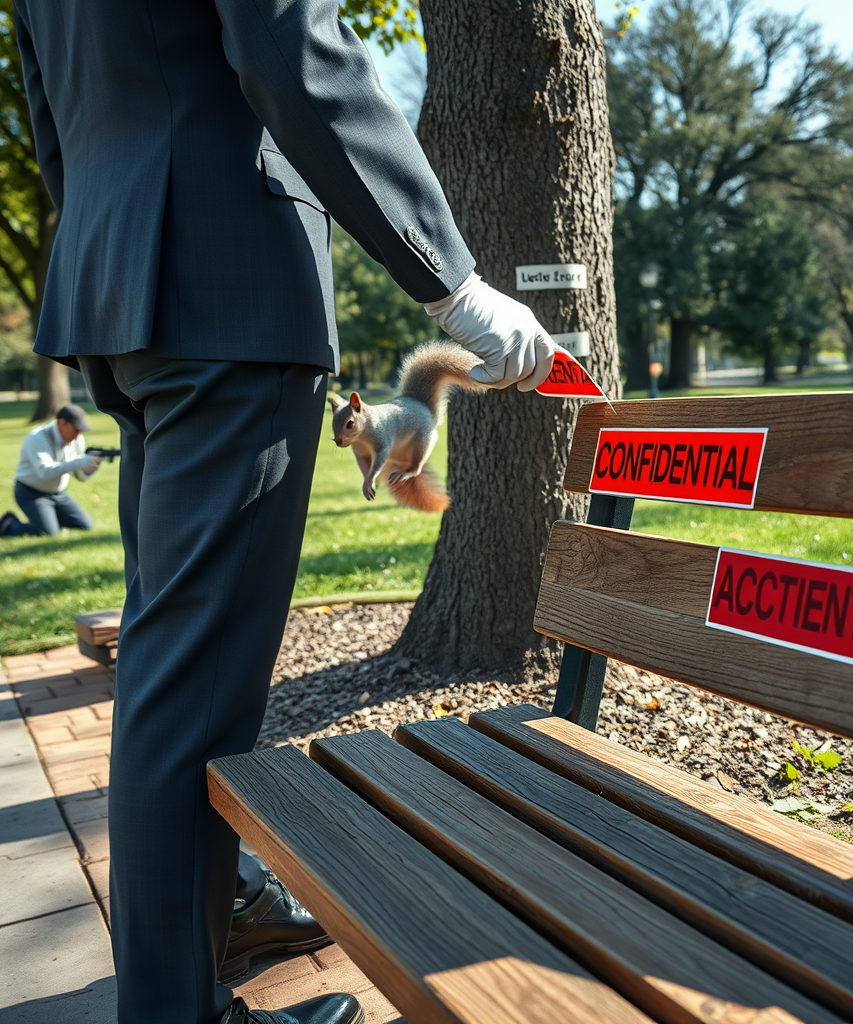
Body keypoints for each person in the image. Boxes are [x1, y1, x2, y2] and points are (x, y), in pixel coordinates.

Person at [13, 3, 555, 1024]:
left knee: (168, 668)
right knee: (191, 689)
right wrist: (456, 287)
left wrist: (111, 248)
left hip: (122, 290)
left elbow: (51, 111)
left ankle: (212, 916)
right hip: (230, 294)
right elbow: (291, 44)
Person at [0, 403, 102, 537]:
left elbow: (80, 475)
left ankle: (48, 518)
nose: (79, 435)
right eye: (76, 430)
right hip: (31, 493)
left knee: (84, 525)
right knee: (48, 532)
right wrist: (79, 461)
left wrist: (89, 469)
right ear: (62, 423)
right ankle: (9, 525)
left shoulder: (77, 439)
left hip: (58, 494)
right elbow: (44, 472)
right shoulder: (37, 437)